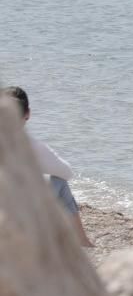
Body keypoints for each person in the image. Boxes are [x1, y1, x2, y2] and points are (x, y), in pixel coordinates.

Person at [3, 86, 94, 247]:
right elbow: (67, 172)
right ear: (27, 114)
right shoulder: (31, 146)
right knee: (59, 181)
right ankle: (81, 239)